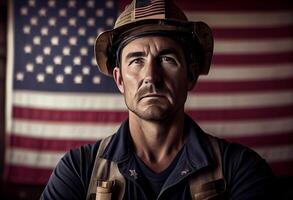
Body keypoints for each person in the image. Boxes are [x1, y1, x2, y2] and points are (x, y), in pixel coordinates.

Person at [41, 0, 275, 199]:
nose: (151, 77)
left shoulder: (240, 168)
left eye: (167, 59)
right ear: (119, 79)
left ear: (191, 75)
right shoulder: (79, 169)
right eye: (136, 61)